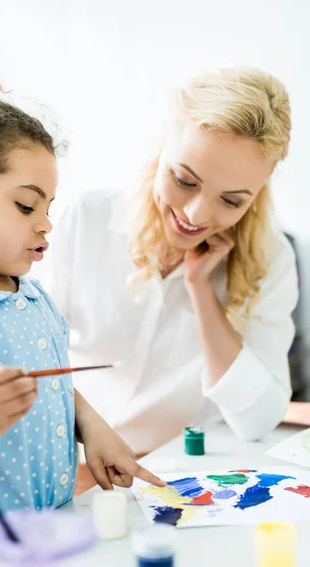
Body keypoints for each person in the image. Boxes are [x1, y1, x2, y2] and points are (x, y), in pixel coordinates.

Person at [0, 57, 164, 565]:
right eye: (27, 206)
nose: (46, 225)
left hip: (55, 537)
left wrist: (94, 429)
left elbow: (54, 382)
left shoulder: (32, 297)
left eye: (49, 207)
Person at [39, 66, 299, 488]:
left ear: (259, 192)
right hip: (72, 464)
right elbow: (31, 360)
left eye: (231, 201)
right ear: (162, 145)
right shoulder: (84, 220)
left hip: (180, 480)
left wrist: (201, 291)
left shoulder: (271, 257)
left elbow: (257, 420)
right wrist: (87, 432)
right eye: (184, 180)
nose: (197, 215)